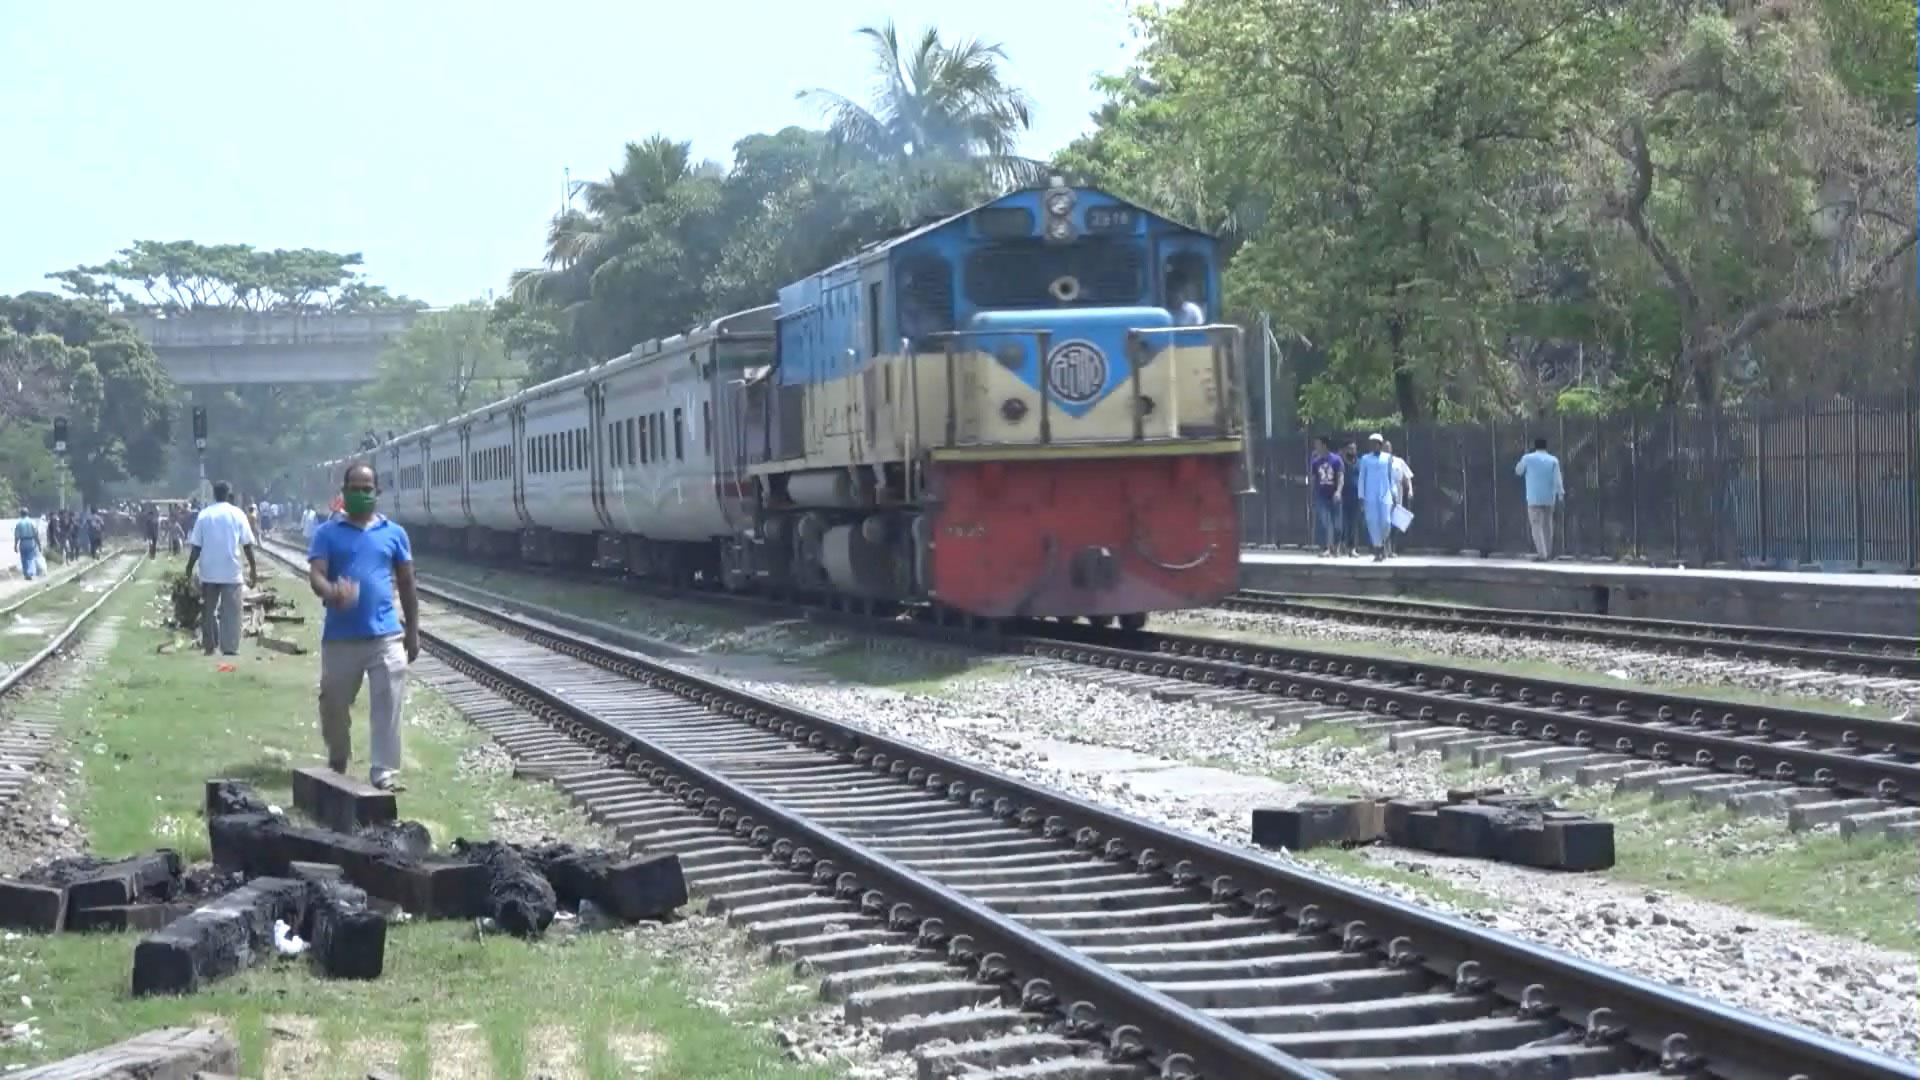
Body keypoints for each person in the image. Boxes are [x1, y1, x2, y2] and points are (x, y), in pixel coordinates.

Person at [307, 463, 419, 792]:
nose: (360, 494)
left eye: (366, 488)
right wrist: (331, 592)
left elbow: (408, 583)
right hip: (341, 639)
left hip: (385, 634)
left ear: (377, 492)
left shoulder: (394, 534)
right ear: (343, 492)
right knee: (334, 705)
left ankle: (383, 770)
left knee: (388, 699)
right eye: (353, 488)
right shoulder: (327, 533)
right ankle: (339, 758)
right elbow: (316, 575)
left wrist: (412, 631)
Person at [184, 481, 259, 657]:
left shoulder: (204, 515)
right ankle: (230, 648)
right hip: (231, 571)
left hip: (209, 571)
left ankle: (210, 646)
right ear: (228, 494)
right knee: (231, 612)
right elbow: (247, 545)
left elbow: (196, 546)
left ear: (214, 495)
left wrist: (189, 567)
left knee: (209, 611)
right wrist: (253, 568)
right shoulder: (237, 514)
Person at [1515, 437, 1566, 560]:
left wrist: (1524, 456)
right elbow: (1558, 480)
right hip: (1549, 497)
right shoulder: (1553, 460)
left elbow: (1518, 471)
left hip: (1533, 498)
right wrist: (1560, 494)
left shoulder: (1528, 458)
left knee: (1536, 525)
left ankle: (1542, 554)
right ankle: (1548, 553)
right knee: (1548, 525)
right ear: (1546, 447)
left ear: (1535, 446)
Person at [1356, 434, 1396, 562]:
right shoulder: (1365, 459)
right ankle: (1378, 549)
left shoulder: (1387, 458)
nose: (1373, 445)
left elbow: (1391, 477)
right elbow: (1362, 478)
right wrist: (1361, 496)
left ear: (1380, 444)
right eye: (1371, 443)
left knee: (1386, 522)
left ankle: (1383, 542)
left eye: (1376, 443)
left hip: (1385, 494)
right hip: (1370, 495)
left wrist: (1394, 493)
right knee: (1372, 521)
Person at [1308, 436, 1344, 556]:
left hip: (1334, 495)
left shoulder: (1336, 460)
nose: (1316, 447)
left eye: (1317, 444)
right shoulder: (1315, 462)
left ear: (1324, 445)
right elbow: (1313, 480)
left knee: (1337, 524)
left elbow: (1340, 477)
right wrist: (1312, 494)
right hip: (1322, 495)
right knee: (1325, 523)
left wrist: (1338, 491)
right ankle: (1326, 548)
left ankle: (1336, 547)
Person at [1381, 438, 1414, 558]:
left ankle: (1392, 549)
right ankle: (1384, 548)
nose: (1387, 449)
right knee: (1385, 522)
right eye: (1384, 447)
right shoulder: (1378, 462)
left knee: (1395, 523)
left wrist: (1410, 490)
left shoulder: (1398, 461)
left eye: (1388, 447)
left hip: (1397, 493)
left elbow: (1407, 477)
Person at [12, 508, 40, 581]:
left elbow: (16, 536)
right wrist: (39, 544)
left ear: (21, 514)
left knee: (23, 558)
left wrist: (15, 545)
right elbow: (36, 534)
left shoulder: (19, 523)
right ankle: (30, 572)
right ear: (28, 513)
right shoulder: (32, 522)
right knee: (31, 557)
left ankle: (26, 573)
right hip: (31, 541)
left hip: (23, 541)